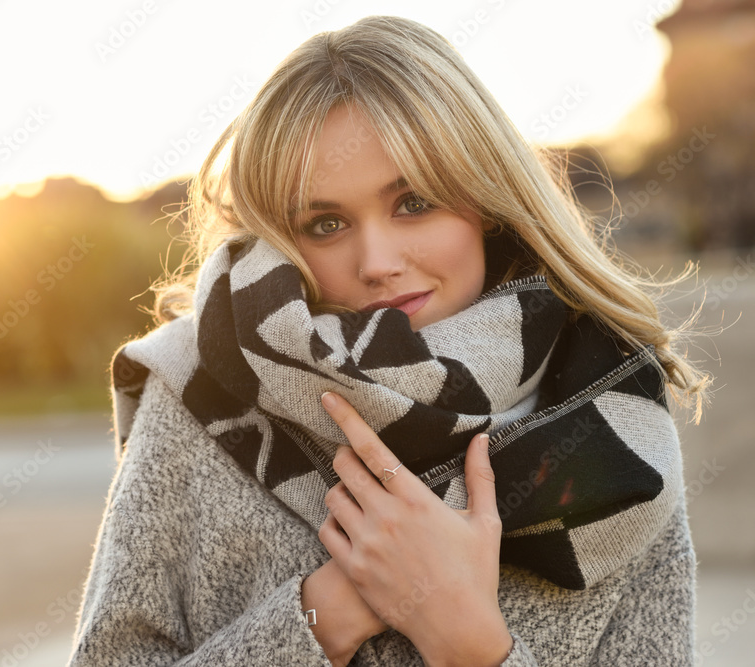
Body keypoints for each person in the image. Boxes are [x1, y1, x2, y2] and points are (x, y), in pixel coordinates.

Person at [67, 15, 712, 666]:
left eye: (413, 202)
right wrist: (323, 613)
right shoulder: (200, 394)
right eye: (325, 222)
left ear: (485, 197)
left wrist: (466, 641)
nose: (376, 260)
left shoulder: (614, 418)